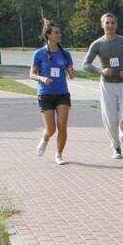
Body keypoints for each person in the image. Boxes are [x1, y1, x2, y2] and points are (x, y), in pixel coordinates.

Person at [82, 13, 123, 159]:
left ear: (116, 25)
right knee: (111, 120)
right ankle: (117, 147)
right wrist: (101, 70)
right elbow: (85, 64)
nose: (110, 25)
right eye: (107, 23)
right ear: (102, 25)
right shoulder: (97, 44)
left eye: (113, 23)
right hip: (107, 86)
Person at [29, 22, 75, 165]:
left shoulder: (65, 53)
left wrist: (71, 70)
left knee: (62, 126)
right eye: (56, 32)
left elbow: (72, 75)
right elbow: (31, 74)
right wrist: (42, 78)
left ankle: (59, 154)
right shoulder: (39, 53)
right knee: (51, 129)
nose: (59, 34)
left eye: (59, 32)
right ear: (48, 35)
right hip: (45, 94)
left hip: (62, 93)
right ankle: (45, 138)